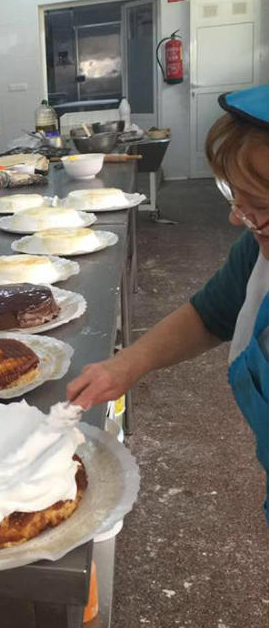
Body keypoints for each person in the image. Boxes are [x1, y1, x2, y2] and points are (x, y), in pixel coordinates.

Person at [67, 84, 269, 518]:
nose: (238, 217)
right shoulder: (258, 254)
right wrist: (124, 366)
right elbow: (209, 314)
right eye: (235, 197)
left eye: (257, 205)